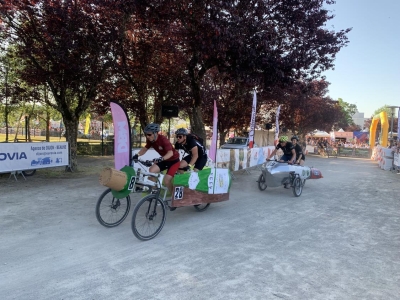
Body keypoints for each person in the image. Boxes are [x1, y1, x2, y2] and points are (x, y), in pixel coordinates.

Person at [133, 123, 180, 197]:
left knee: (167, 181)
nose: (147, 136)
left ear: (155, 133)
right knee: (151, 171)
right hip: (165, 160)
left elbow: (170, 153)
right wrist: (137, 155)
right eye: (146, 135)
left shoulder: (163, 140)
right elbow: (145, 149)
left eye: (149, 134)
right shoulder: (151, 140)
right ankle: (155, 193)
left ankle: (174, 197)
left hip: (174, 161)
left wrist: (161, 158)